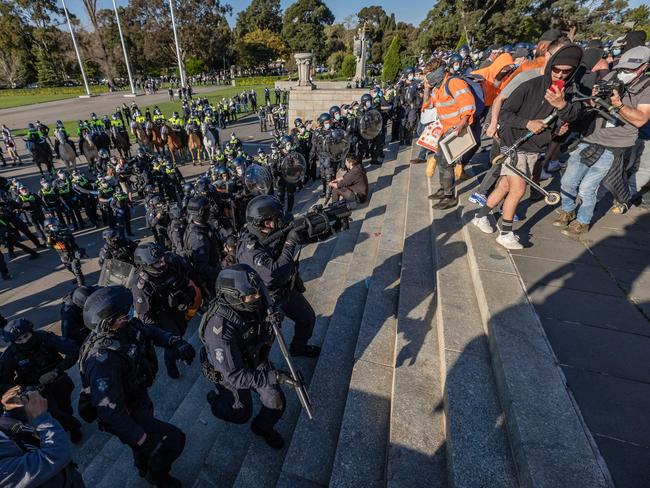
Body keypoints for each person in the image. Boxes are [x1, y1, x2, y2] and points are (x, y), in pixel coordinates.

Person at [79, 286, 195, 487]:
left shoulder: (125, 326)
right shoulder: (102, 361)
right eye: (126, 313)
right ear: (110, 322)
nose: (131, 313)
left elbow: (148, 331)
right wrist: (140, 438)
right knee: (175, 441)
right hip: (128, 413)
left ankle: (141, 464)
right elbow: (109, 412)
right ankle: (156, 475)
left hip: (139, 395)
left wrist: (174, 341)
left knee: (144, 446)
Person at [472, 43, 584, 249]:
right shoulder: (529, 85)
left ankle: (480, 216)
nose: (559, 75)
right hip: (513, 142)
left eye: (565, 72)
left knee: (505, 186)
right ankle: (505, 232)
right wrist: (527, 123)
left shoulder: (570, 92)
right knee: (518, 189)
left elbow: (574, 116)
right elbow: (505, 113)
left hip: (534, 146)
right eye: (556, 70)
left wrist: (561, 110)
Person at [556, 46, 650, 236]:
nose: (624, 73)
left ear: (643, 67)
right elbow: (590, 103)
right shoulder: (613, 76)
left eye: (629, 70)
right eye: (622, 68)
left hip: (616, 145)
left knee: (588, 187)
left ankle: (583, 221)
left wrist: (619, 105)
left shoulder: (646, 88)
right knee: (568, 180)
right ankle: (567, 209)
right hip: (592, 137)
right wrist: (596, 96)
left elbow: (641, 119)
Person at [201, 264, 296, 449]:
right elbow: (235, 376)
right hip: (231, 370)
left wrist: (277, 312)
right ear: (232, 296)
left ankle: (262, 428)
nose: (257, 298)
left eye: (257, 293)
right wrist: (275, 376)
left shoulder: (252, 296)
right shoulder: (220, 332)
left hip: (253, 355)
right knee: (240, 413)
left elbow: (271, 303)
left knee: (275, 401)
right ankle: (216, 401)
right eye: (251, 296)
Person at [236, 195, 320, 358]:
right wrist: (289, 245)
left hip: (285, 289)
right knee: (265, 341)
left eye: (276, 219)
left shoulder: (271, 232)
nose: (276, 224)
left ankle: (298, 348)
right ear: (260, 223)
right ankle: (262, 372)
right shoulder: (250, 248)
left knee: (307, 318)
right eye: (271, 221)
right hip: (267, 299)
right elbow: (271, 275)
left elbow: (295, 231)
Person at [0, 318, 82, 444]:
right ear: (13, 342)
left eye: (26, 336)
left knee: (64, 407)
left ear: (31, 331)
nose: (24, 341)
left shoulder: (44, 338)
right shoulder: (10, 355)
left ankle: (69, 422)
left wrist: (56, 371)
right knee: (52, 411)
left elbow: (73, 350)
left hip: (57, 380)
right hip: (33, 388)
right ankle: (74, 426)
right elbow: (5, 381)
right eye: (19, 340)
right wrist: (24, 389)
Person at [129, 243, 201, 378]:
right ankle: (171, 367)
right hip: (161, 313)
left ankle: (179, 352)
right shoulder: (141, 287)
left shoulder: (171, 260)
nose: (162, 263)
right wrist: (161, 336)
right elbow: (146, 316)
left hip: (178, 304)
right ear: (146, 266)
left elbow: (188, 273)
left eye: (162, 259)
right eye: (157, 263)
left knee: (181, 330)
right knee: (173, 342)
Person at [0, 387, 83, 487]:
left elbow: (10, 432)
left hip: (68, 477)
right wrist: (41, 418)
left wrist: (11, 411)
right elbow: (54, 457)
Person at [182, 196, 221, 296]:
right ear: (199, 213)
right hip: (210, 280)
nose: (210, 211)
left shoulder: (198, 226)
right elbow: (202, 267)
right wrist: (221, 272)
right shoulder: (198, 238)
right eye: (207, 210)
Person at [44, 217, 85, 286]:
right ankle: (77, 277)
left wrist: (58, 237)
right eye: (50, 226)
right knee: (69, 268)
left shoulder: (65, 230)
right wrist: (49, 238)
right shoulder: (50, 234)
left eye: (53, 226)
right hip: (63, 255)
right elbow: (49, 245)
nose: (52, 227)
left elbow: (67, 240)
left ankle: (81, 285)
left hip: (72, 252)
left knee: (76, 269)